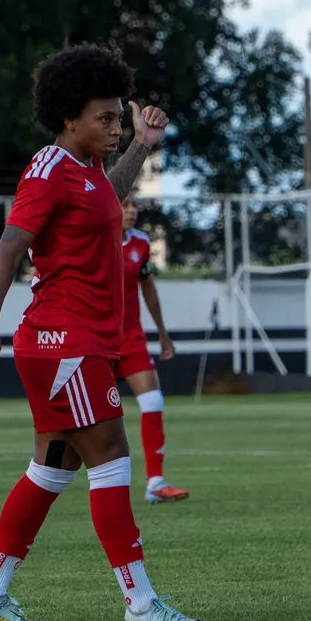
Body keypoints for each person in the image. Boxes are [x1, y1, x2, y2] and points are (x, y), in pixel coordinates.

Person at [0, 44, 206, 621]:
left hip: (74, 343)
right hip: (64, 342)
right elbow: (8, 250)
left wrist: (142, 148)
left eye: (120, 117)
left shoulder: (91, 169)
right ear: (69, 116)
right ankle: (143, 605)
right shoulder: (47, 171)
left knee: (50, 469)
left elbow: (108, 196)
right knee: (112, 461)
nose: (116, 127)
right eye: (106, 118)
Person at [118, 195, 189, 504]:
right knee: (89, 420)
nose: (131, 211)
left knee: (153, 401)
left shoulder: (140, 244)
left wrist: (163, 333)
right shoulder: (91, 241)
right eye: (124, 205)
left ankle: (155, 483)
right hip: (94, 339)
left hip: (130, 339)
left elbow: (147, 287)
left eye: (134, 206)